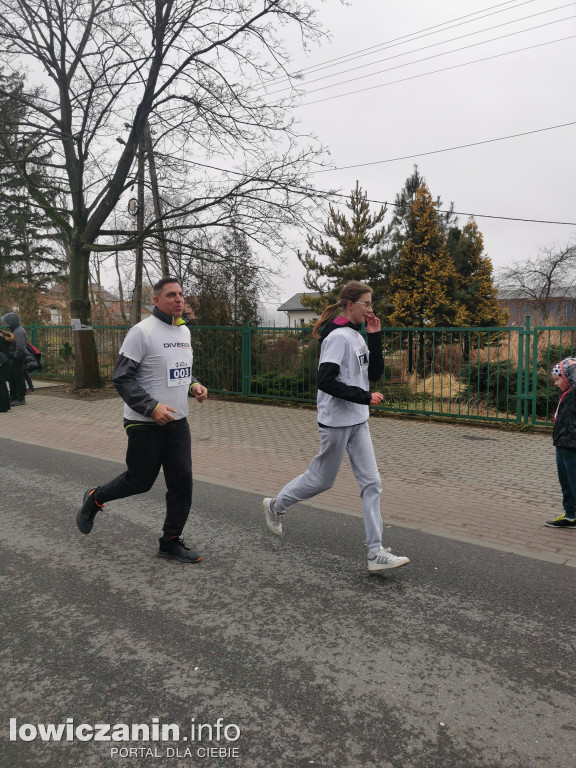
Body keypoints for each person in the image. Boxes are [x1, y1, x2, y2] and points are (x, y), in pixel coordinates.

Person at [263, 281, 410, 572]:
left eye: (371, 304)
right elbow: (325, 381)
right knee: (321, 480)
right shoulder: (338, 338)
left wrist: (375, 336)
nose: (371, 309)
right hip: (336, 422)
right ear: (349, 305)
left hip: (359, 420)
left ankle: (375, 552)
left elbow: (376, 374)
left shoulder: (356, 336)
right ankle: (274, 506)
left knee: (372, 483)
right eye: (366, 303)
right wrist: (364, 396)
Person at [76, 277, 208, 562]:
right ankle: (95, 498)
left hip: (178, 423)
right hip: (144, 423)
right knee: (140, 481)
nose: (179, 299)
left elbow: (177, 371)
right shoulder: (141, 332)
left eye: (182, 294)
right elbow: (122, 378)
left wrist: (193, 385)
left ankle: (170, 541)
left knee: (182, 481)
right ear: (157, 301)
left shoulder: (184, 332)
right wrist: (151, 408)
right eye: (171, 295)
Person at [546, 358, 576, 529]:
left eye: (558, 379)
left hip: (570, 444)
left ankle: (572, 514)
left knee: (572, 481)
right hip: (562, 443)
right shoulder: (566, 393)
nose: (556, 384)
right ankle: (570, 514)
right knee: (565, 481)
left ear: (569, 377)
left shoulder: (574, 393)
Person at [0, 312, 27, 406]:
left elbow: (20, 347)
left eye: (7, 322)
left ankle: (20, 398)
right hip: (13, 357)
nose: (6, 324)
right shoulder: (15, 330)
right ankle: (13, 397)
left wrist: (15, 357)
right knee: (12, 378)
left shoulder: (18, 331)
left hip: (17, 359)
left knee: (18, 378)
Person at [0, 327, 15, 413]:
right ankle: (5, 405)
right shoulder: (4, 336)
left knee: (1, 385)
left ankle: (2, 407)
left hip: (1, 363)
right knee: (2, 384)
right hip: (5, 362)